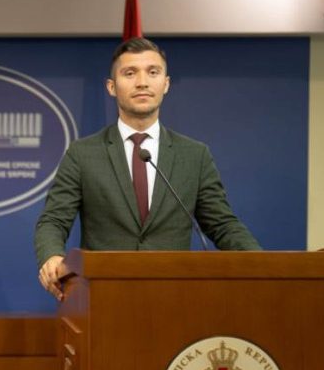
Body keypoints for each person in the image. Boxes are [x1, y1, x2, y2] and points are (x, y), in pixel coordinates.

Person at [35, 38, 260, 300]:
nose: (142, 82)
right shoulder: (82, 153)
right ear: (111, 87)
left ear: (166, 84)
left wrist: (264, 264)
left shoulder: (195, 155)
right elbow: (53, 220)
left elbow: (222, 225)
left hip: (175, 297)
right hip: (103, 297)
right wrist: (52, 256)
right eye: (130, 73)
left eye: (153, 72)